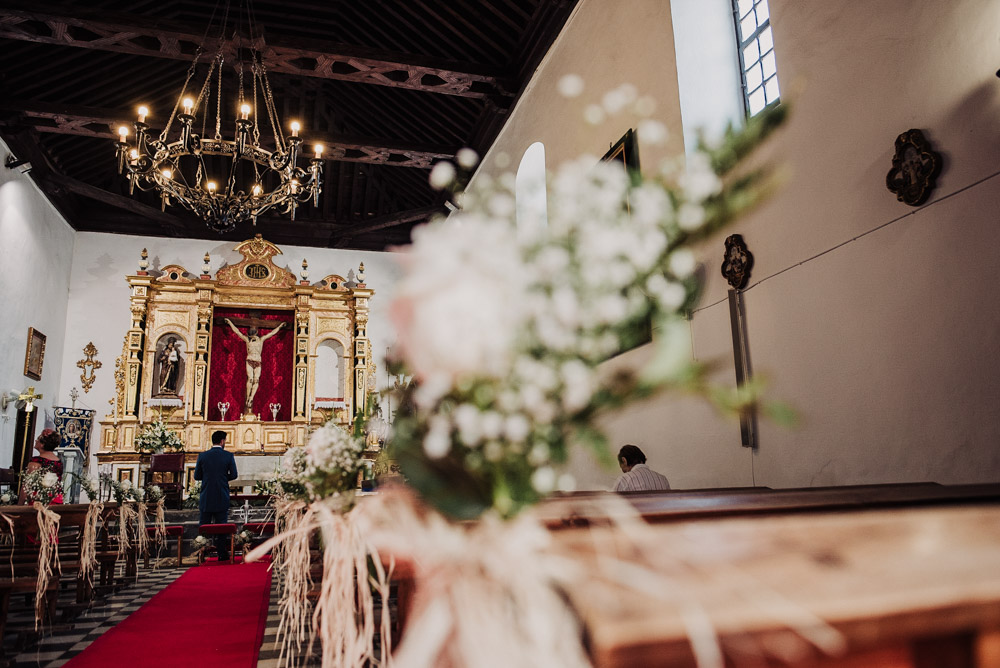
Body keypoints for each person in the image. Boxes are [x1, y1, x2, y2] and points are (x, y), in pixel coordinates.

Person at [224, 318, 285, 414]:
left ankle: (251, 398)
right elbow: (237, 332)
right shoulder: (247, 340)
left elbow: (272, 333)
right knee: (250, 379)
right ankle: (248, 397)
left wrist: (280, 327)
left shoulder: (261, 340)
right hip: (250, 361)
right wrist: (230, 323)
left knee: (256, 380)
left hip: (258, 362)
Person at [194, 430, 238, 561]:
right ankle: (221, 553)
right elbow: (234, 475)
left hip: (207, 495)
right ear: (222, 441)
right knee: (222, 525)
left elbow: (197, 476)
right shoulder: (228, 456)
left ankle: (202, 552)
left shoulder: (202, 456)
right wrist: (223, 478)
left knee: (204, 525)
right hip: (221, 494)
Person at [19, 428, 64, 504]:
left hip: (39, 502)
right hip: (56, 500)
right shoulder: (58, 461)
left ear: (42, 444)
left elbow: (26, 487)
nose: (36, 441)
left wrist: (18, 507)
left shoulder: (36, 462)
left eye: (38, 439)